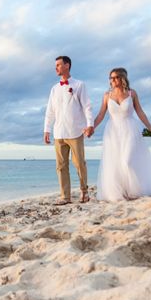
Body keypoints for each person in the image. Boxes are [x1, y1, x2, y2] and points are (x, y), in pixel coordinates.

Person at [93, 67, 151, 201]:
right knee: (115, 163)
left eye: (114, 77)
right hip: (112, 132)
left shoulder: (132, 93)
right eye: (110, 78)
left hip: (130, 129)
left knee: (127, 161)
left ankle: (134, 191)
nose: (112, 80)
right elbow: (101, 114)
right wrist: (91, 127)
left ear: (121, 78)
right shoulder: (107, 95)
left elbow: (140, 112)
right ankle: (122, 192)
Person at [44, 56, 94, 205]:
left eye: (59, 65)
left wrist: (90, 124)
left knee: (79, 164)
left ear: (67, 65)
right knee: (61, 166)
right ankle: (65, 196)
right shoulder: (54, 89)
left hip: (76, 131)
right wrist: (46, 129)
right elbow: (50, 111)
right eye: (56, 65)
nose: (56, 68)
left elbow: (87, 106)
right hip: (59, 132)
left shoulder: (79, 85)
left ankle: (84, 192)